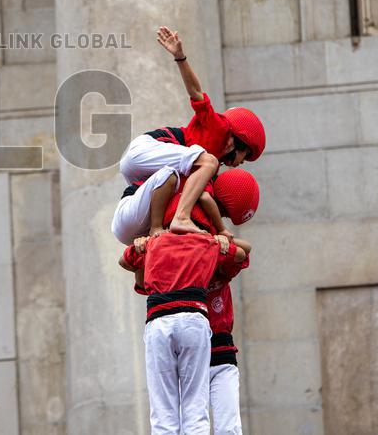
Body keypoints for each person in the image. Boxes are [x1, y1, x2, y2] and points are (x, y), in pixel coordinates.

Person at [123, 169, 258, 434]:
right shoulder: (190, 244)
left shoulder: (198, 244)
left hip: (217, 348)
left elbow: (243, 251)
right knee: (190, 417)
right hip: (195, 330)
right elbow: (141, 283)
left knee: (186, 420)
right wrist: (215, 234)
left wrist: (217, 235)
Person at [112, 26, 265, 243]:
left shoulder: (205, 170)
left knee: (175, 189)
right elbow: (195, 92)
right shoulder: (218, 128)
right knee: (208, 162)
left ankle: (158, 229)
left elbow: (201, 196)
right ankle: (181, 218)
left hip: (139, 193)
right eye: (245, 155)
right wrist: (180, 57)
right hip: (144, 150)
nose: (241, 163)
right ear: (238, 141)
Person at [120, 231, 248, 434]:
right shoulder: (171, 255)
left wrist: (220, 236)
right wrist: (143, 243)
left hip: (219, 354)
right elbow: (138, 274)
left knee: (227, 427)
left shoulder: (210, 251)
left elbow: (244, 251)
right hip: (189, 350)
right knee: (185, 417)